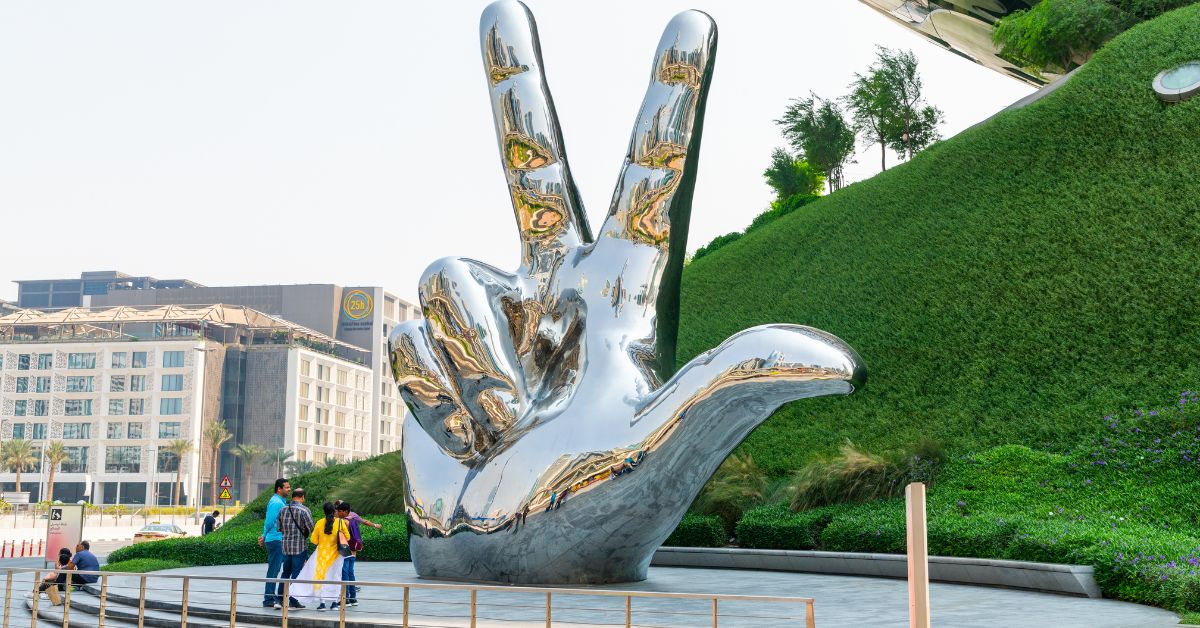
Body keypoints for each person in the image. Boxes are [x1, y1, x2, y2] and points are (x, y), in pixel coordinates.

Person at [290, 501, 349, 611]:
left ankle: (322, 603)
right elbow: (348, 537)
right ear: (334, 511)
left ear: (324, 512)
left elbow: (313, 540)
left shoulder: (319, 523)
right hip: (336, 555)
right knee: (336, 577)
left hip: (321, 555)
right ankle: (335, 603)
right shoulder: (341, 523)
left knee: (322, 577)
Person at [275, 487, 314, 609]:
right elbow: (311, 527)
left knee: (285, 572)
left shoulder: (282, 509)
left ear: (292, 496)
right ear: (302, 497)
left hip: (285, 546)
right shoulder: (304, 510)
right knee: (297, 573)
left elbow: (279, 528)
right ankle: (293, 599)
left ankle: (280, 599)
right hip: (299, 547)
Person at [333, 501, 373, 608]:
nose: (337, 513)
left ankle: (345, 599)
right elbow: (364, 522)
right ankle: (353, 598)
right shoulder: (353, 517)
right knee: (350, 573)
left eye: (339, 511)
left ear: (344, 511)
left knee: (344, 573)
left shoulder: (343, 521)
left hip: (345, 550)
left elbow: (340, 535)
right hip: (353, 550)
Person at [258, 478, 290, 608]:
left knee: (275, 569)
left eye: (289, 487)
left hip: (278, 539)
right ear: (279, 489)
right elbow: (269, 521)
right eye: (287, 487)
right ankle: (269, 599)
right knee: (273, 570)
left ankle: (271, 597)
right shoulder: (276, 502)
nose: (289, 489)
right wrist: (263, 535)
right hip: (275, 540)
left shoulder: (280, 501)